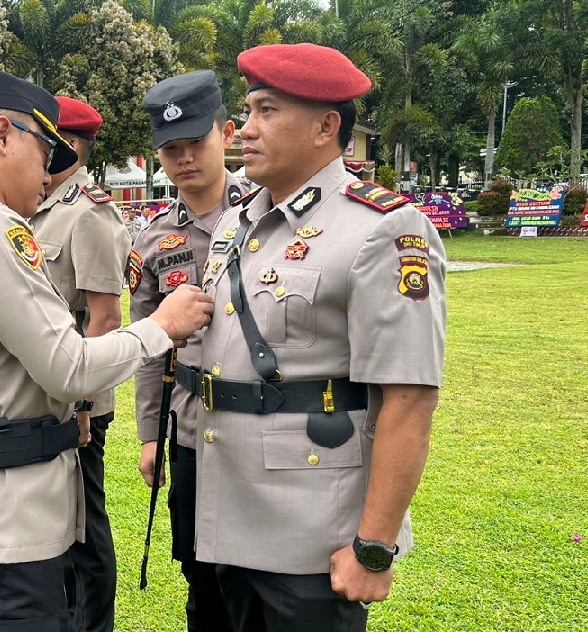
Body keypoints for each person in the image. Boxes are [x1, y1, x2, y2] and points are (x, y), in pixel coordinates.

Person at [0, 70, 213, 632]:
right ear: (3, 135)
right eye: (44, 153)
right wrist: (162, 327)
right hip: (2, 526)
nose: (48, 174)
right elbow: (68, 366)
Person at [184, 43, 447, 631]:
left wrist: (373, 548)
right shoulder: (239, 220)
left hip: (312, 536)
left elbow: (409, 400)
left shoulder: (383, 229)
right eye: (247, 110)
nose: (244, 130)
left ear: (327, 126)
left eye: (267, 111)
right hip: (231, 514)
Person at [129, 68, 246, 632]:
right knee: (201, 576)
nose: (184, 159)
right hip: (192, 429)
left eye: (196, 142)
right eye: (170, 149)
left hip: (260, 425)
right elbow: (148, 349)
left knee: (258, 577)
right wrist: (150, 435)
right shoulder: (151, 237)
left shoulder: (266, 217)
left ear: (226, 134)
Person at [27, 95, 128, 632]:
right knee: (55, 526)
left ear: (69, 145)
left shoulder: (89, 212)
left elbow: (105, 318)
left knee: (85, 528)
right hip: (43, 391)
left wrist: (83, 403)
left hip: (79, 401)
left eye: (43, 137)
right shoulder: (32, 205)